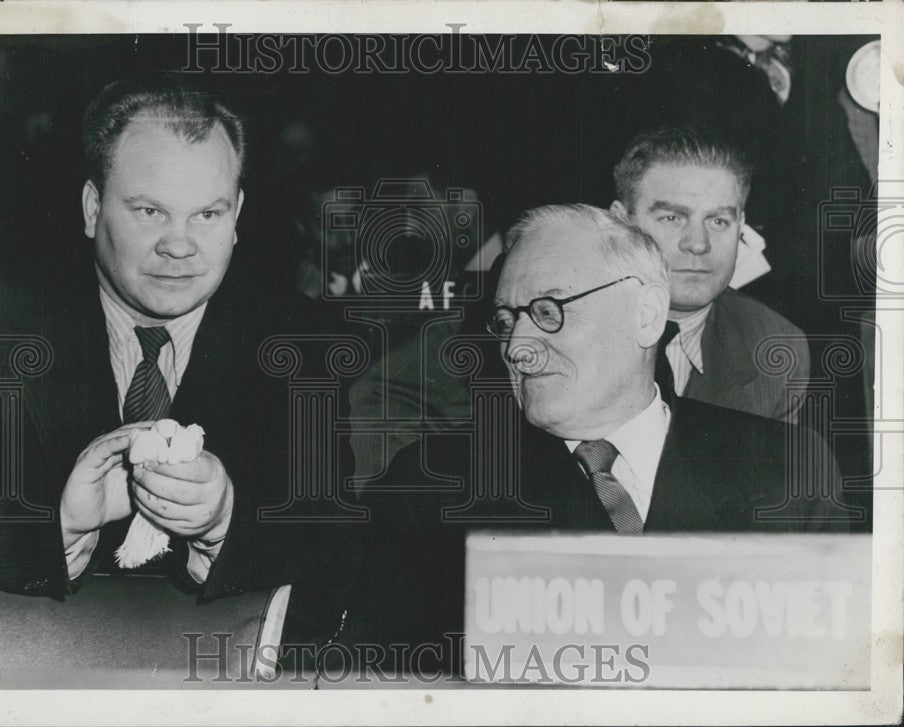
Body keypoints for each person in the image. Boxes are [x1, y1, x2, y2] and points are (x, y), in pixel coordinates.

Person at [349, 204, 851, 667]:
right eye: (506, 321)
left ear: (647, 314)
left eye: (548, 311)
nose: (518, 347)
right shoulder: (431, 489)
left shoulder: (784, 470)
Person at [0, 77, 349, 622]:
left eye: (208, 214)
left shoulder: (305, 347)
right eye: (150, 211)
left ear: (237, 217)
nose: (180, 245)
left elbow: (338, 557)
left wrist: (226, 523)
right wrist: (59, 527)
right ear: (92, 208)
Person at [610, 127, 809, 422]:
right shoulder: (554, 331)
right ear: (620, 224)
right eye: (672, 217)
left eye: (718, 220)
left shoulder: (775, 349)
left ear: (741, 227)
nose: (698, 243)